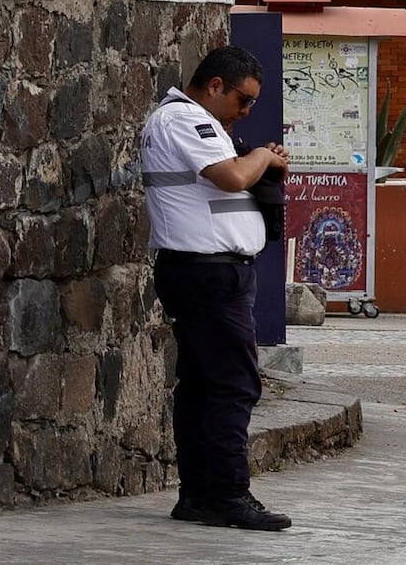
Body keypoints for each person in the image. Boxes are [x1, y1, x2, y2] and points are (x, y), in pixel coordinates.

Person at [141, 45, 292, 530]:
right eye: (242, 99)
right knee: (233, 385)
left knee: (204, 386)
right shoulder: (187, 120)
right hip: (207, 273)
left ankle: (199, 495)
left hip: (206, 270)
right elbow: (229, 179)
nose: (246, 110)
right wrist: (261, 156)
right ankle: (227, 495)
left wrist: (260, 163)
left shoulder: (194, 124)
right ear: (214, 87)